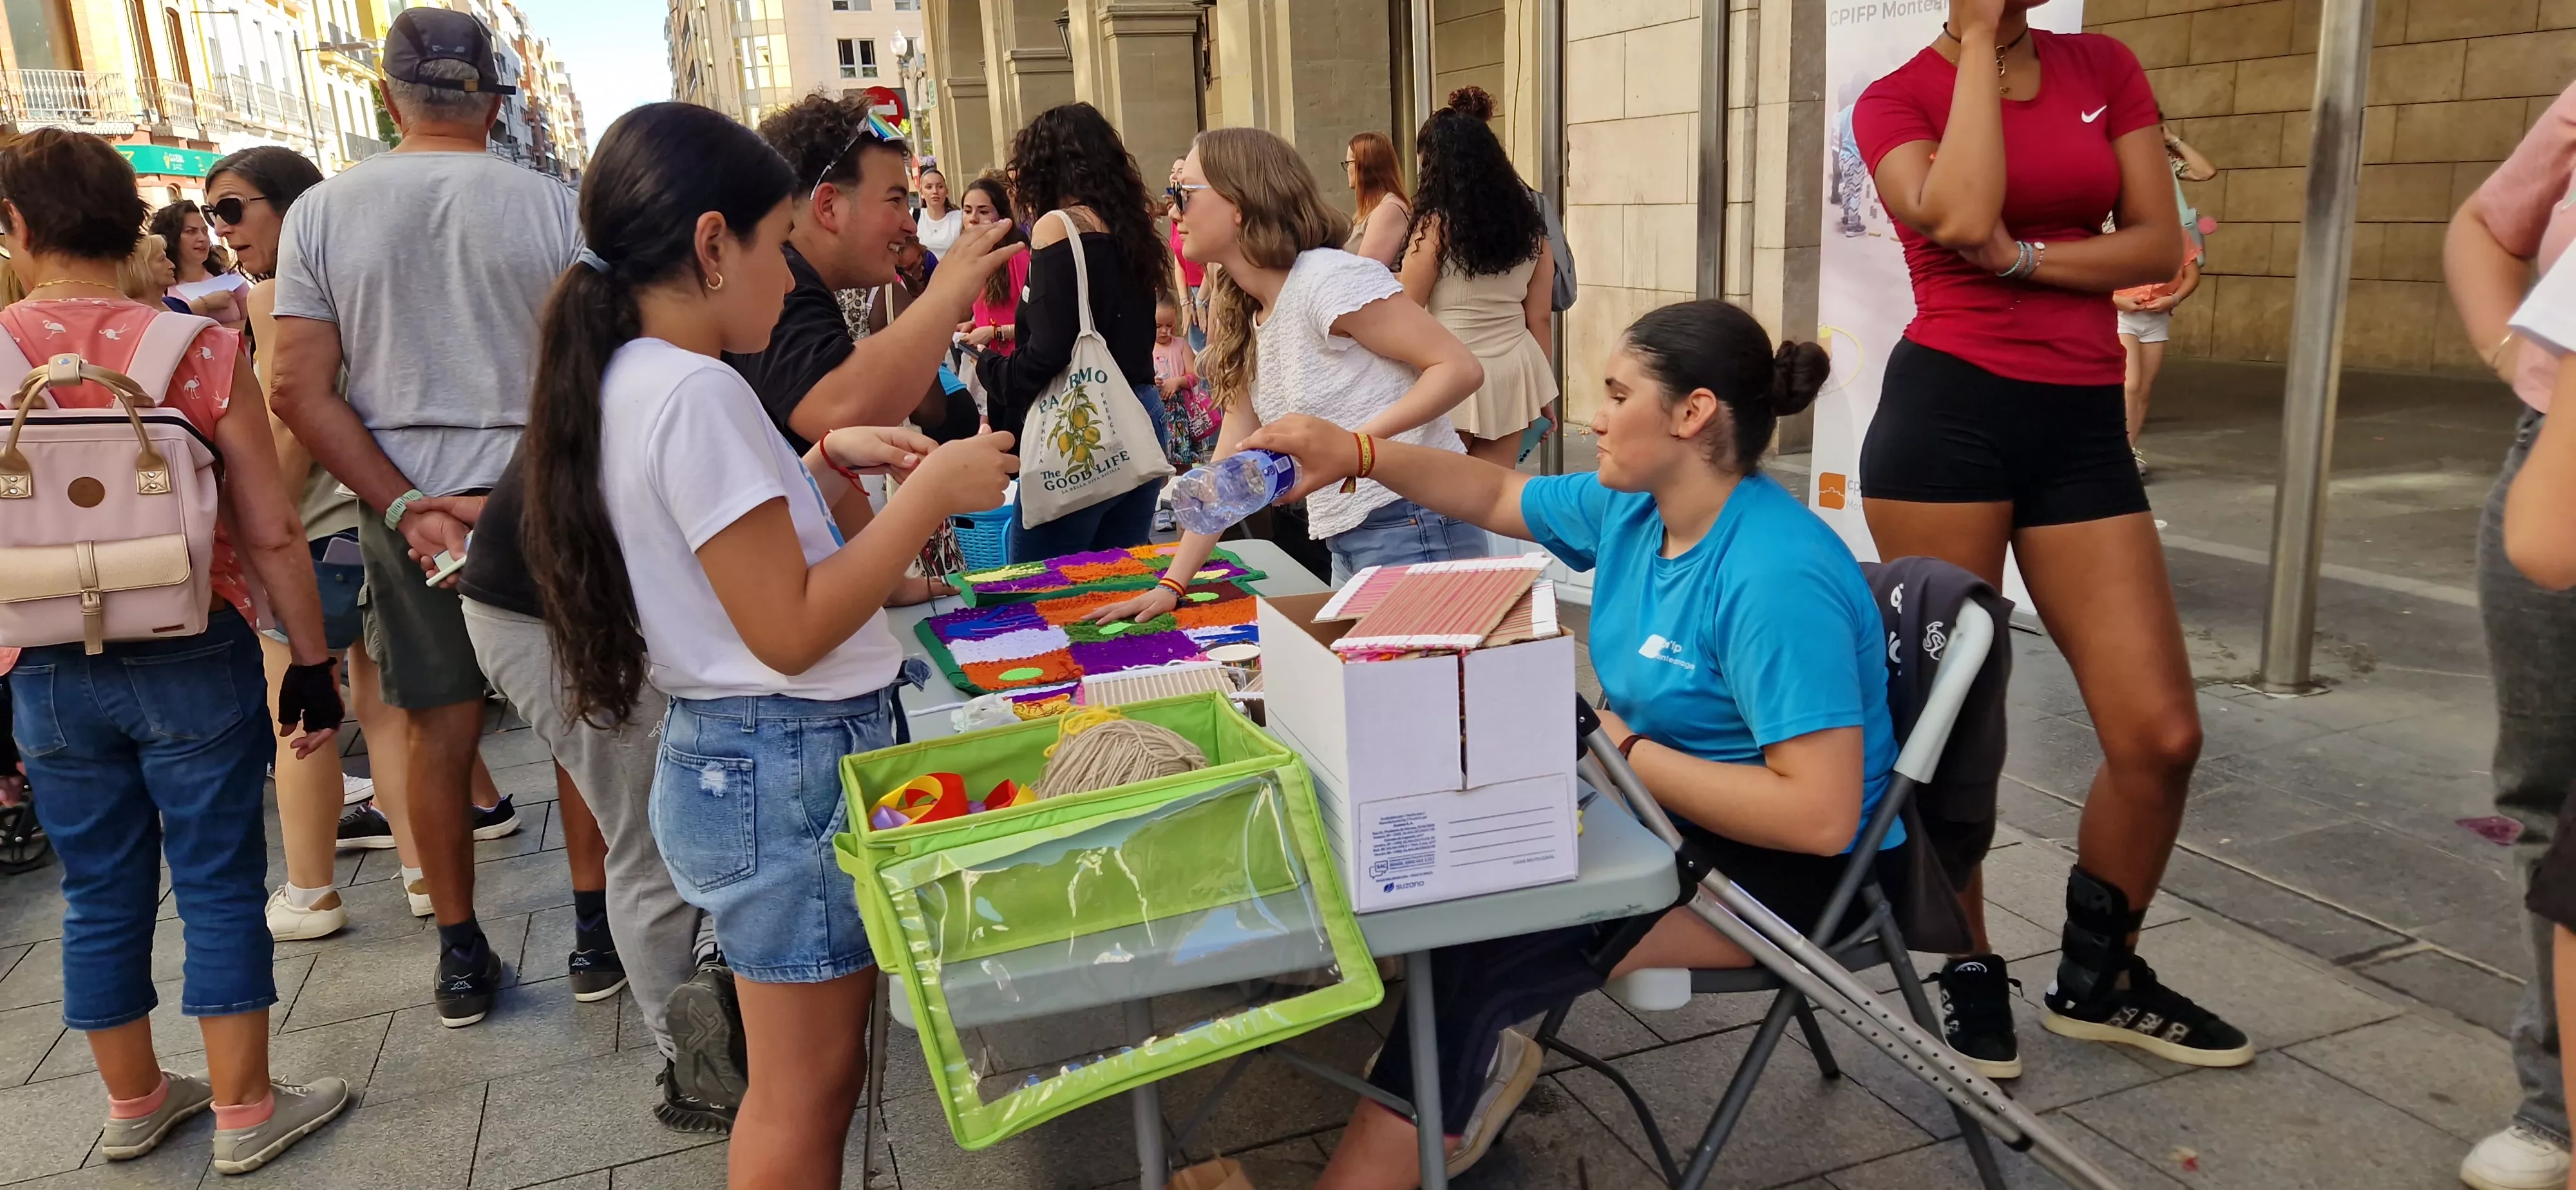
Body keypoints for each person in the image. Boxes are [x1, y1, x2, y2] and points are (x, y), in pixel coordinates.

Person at [1253, 301, 1888, 1187]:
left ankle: (1409, 1129)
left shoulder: (1774, 575)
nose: (1593, 414)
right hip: (1654, 819)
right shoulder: (1637, 509)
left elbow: (1818, 818)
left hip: (1783, 877)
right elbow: (1492, 492)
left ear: (1692, 414)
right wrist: (1354, 453)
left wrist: (1623, 749)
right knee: (1450, 879)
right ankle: (1456, 1085)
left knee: (1475, 949)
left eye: (1617, 392)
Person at [517, 100, 1018, 1187]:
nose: (790, 275)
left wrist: (827, 458)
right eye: (777, 241)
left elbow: (736, 573)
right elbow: (787, 627)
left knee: (807, 1084)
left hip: (751, 750)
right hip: (781, 757)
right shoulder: (694, 391)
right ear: (711, 245)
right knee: (803, 1094)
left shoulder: (640, 376)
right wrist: (928, 487)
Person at [1852, 0, 2249, 1079]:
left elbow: (2158, 244)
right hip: (1947, 420)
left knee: (2161, 731)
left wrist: (2023, 261)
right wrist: (1978, 43)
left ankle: (2100, 975)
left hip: (2080, 426)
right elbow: (1954, 210)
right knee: (1951, 731)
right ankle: (1967, 968)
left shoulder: (2104, 64)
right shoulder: (1895, 99)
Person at [2, 128, 352, 1174]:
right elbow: (271, 525)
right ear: (133, 226)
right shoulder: (191, 346)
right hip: (192, 639)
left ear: (16, 229)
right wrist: (313, 660)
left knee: (98, 887)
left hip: (47, 658)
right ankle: (246, 1110)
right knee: (216, 878)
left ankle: (134, 1099)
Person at [265, 6, 583, 1028]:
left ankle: (460, 951)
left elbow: (297, 388)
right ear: (493, 99)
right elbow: (594, 372)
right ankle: (596, 931)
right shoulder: (553, 207)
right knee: (580, 715)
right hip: (542, 496)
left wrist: (407, 504)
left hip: (405, 506)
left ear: (387, 96)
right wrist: (508, 491)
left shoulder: (321, 213)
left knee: (435, 733)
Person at [1095, 126, 1482, 624]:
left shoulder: (1326, 279)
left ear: (1239, 201)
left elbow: (1458, 368)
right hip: (1361, 537)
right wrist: (1172, 583)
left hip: (1414, 524)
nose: (1173, 212)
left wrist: (1354, 449)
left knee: (1431, 701)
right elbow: (1232, 458)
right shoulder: (1249, 308)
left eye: (1183, 194)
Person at [204, 144, 422, 941]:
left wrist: (260, 528)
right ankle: (423, 867)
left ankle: (310, 892)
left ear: (289, 206)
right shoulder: (366, 280)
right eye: (210, 214)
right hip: (383, 525)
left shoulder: (275, 296)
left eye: (232, 208)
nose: (221, 229)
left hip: (316, 536)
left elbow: (287, 425)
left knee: (298, 713)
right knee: (390, 707)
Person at [2447, 74, 2576, 1190]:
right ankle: (2558, 1103)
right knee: (2550, 805)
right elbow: (2488, 224)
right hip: (2560, 457)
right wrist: (2523, 363)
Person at [726, 94, 1019, 454]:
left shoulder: (797, 279)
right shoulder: (777, 284)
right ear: (829, 206)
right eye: (895, 201)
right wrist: (946, 294)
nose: (909, 225)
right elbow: (837, 410)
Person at [972, 102, 1173, 562]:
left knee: (1040, 585)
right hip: (1139, 416)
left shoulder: (1056, 227)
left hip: (1083, 425)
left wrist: (991, 369)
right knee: (1121, 580)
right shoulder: (1130, 227)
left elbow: (1048, 351)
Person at [1400, 87, 1557, 469]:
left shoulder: (1435, 228)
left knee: (1440, 500)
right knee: (1493, 498)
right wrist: (1545, 393)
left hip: (1449, 371)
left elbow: (1405, 312)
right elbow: (1538, 318)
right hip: (1514, 371)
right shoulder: (1534, 236)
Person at [2114, 124, 2216, 478]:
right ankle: (2116, 449)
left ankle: (2129, 448)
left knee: (2141, 386)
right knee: (2128, 382)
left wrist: (2171, 139)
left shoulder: (2161, 161)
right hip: (2122, 286)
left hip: (2158, 287)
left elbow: (2206, 171)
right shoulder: (2106, 162)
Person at [960, 173, 1028, 359]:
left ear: (1002, 217)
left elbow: (1038, 322)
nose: (973, 219)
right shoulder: (967, 259)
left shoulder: (1017, 256)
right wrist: (974, 325)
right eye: (967, 211)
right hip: (987, 364)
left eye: (983, 212)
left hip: (1018, 363)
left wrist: (994, 332)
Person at [149, 200, 247, 330]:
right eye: (191, 232)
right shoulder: (160, 288)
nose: (202, 238)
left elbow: (256, 326)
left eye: (205, 231)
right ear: (171, 238)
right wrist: (203, 305)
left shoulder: (229, 276)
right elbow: (165, 332)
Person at [1153, 296, 1212, 468]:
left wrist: (1178, 381)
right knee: (1159, 464)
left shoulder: (1181, 345)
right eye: (1158, 326)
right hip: (1157, 412)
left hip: (1180, 415)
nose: (1165, 331)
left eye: (1170, 325)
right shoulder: (1146, 347)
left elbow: (1194, 376)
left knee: (1182, 461)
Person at [1342, 131, 1410, 267]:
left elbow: (1367, 272)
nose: (1347, 168)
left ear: (1364, 166)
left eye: (1349, 162)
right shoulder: (1369, 211)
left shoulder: (1389, 210)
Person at [915, 164, 963, 257]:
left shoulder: (959, 217)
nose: (935, 192)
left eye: (940, 187)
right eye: (929, 187)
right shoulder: (915, 216)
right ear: (921, 193)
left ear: (947, 192)